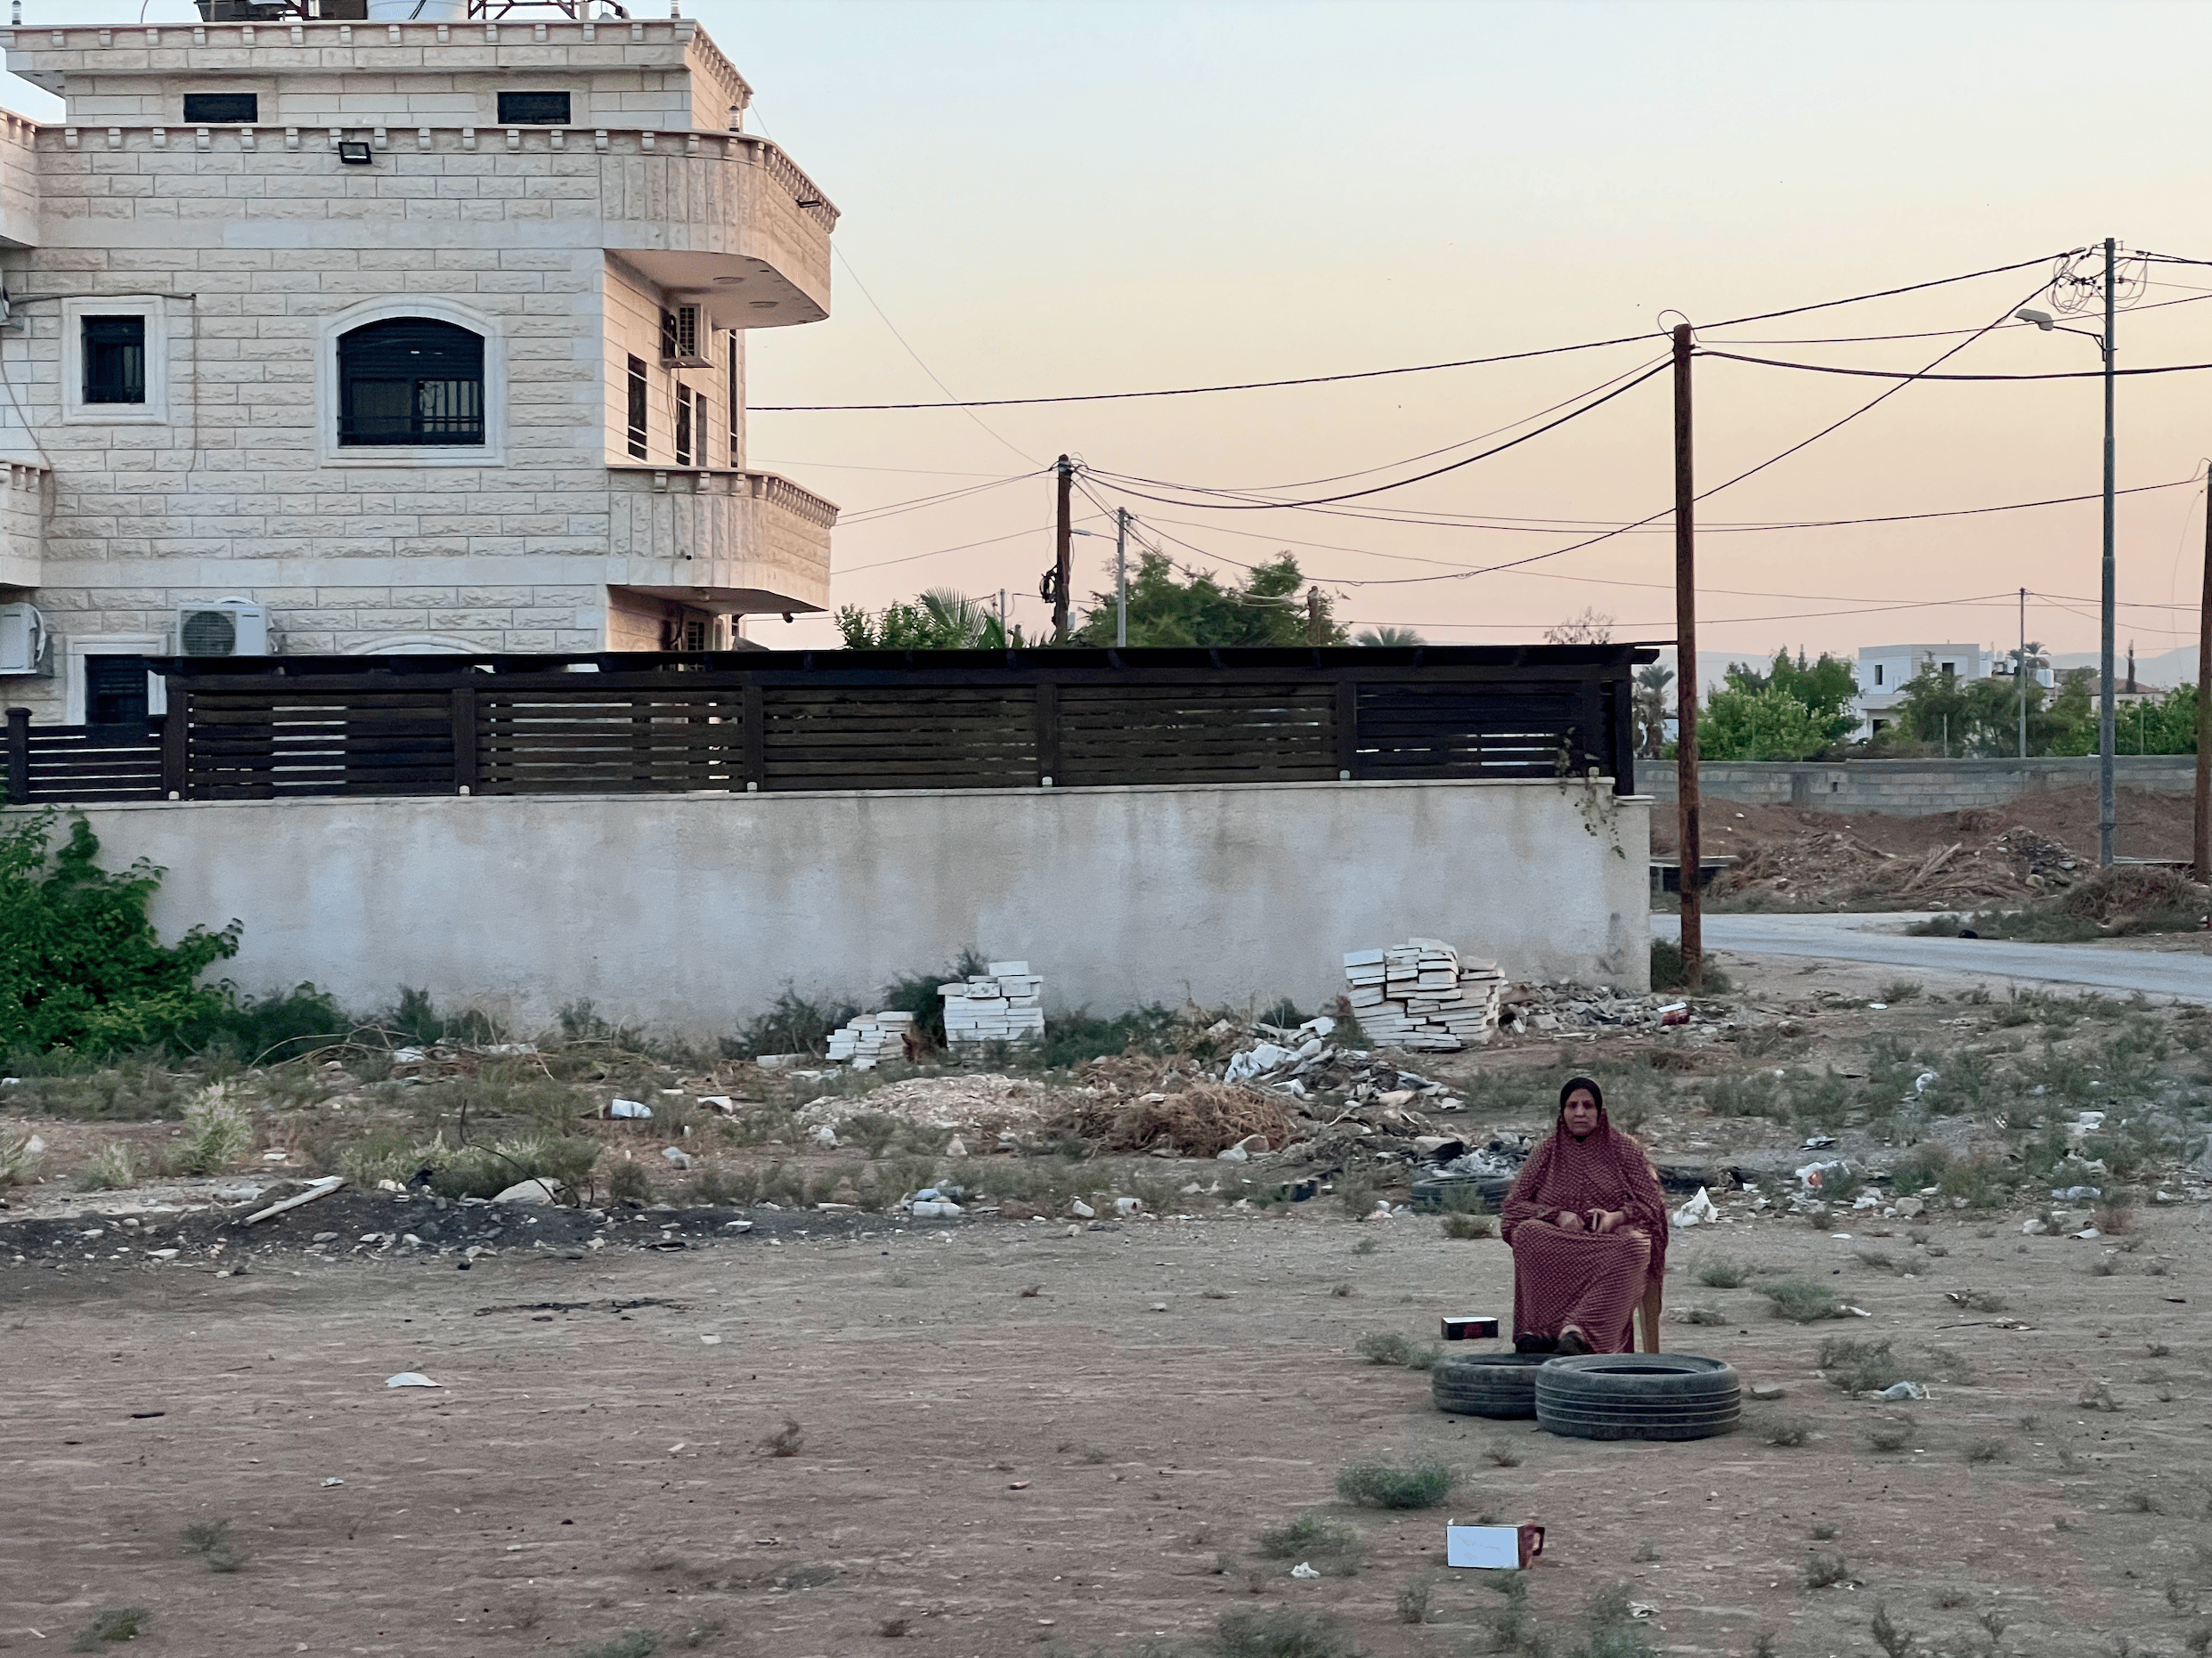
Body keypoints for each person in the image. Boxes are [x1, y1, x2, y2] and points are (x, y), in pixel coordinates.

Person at [1500, 1076, 1668, 1355]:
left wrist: (1617, 1217)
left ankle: (1579, 1334)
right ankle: (1541, 1333)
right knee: (1528, 1232)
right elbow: (1513, 1208)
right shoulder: (1546, 1152)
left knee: (1636, 1246)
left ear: (1600, 1112)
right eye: (1572, 1106)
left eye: (1588, 1106)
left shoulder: (1624, 1150)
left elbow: (1652, 1206)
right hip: (1561, 1242)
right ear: (1562, 1112)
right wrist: (1557, 1216)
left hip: (1609, 1244)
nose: (1580, 1112)